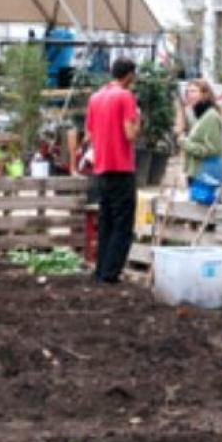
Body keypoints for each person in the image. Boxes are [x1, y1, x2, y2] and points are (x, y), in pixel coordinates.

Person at [82, 58, 140, 284]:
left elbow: (88, 135)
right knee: (122, 222)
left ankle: (101, 269)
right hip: (121, 167)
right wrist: (138, 121)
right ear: (129, 75)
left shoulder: (95, 97)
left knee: (105, 220)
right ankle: (111, 273)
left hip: (101, 168)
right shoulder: (125, 97)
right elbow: (130, 134)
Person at [179, 79, 222, 205]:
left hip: (205, 174)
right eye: (187, 92)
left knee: (204, 216)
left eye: (193, 91)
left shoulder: (210, 116)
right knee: (197, 215)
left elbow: (212, 149)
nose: (189, 94)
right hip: (197, 172)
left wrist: (185, 143)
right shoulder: (200, 116)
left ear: (205, 94)